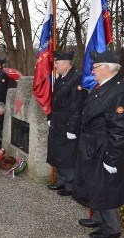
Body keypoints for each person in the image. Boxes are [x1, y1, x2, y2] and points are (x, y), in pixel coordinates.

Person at [73, 50, 124, 238]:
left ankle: (112, 229)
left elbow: (119, 129)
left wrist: (112, 158)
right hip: (93, 144)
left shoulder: (119, 92)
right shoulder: (104, 86)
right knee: (94, 183)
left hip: (104, 146)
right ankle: (99, 218)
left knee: (105, 186)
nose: (92, 71)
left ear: (107, 68)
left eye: (95, 68)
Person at [46, 51, 87, 196]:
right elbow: (54, 100)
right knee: (58, 152)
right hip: (58, 122)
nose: (55, 65)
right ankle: (61, 181)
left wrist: (72, 128)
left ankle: (70, 186)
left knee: (68, 155)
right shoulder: (61, 78)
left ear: (66, 63)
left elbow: (77, 106)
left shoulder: (77, 79)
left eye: (57, 63)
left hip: (68, 124)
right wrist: (50, 117)